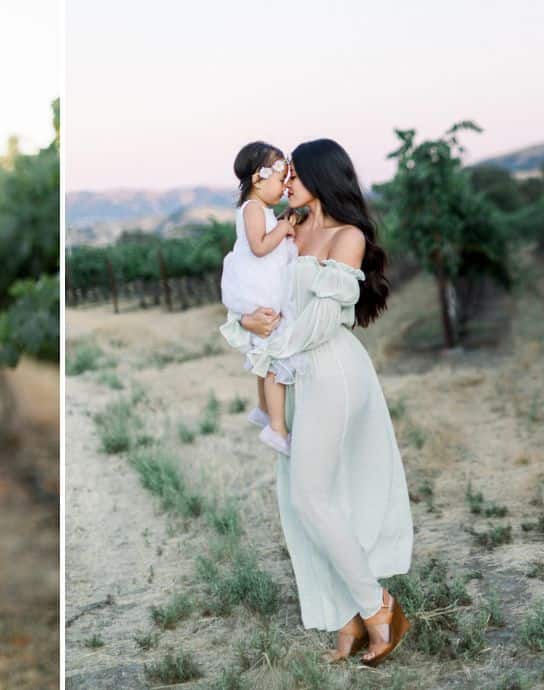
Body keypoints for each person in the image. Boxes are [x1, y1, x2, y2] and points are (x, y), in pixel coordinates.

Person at [223, 138, 415, 666]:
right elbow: (252, 288)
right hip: (297, 374)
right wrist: (246, 320)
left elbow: (325, 318)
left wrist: (276, 345)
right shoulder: (287, 227)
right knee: (302, 499)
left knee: (312, 494)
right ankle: (345, 616)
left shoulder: (346, 236)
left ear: (320, 177)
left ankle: (380, 607)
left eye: (295, 173)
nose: (287, 181)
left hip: (331, 369)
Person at [218, 141, 299, 454]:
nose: (283, 187)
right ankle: (276, 427)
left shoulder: (261, 209)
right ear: (257, 179)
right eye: (281, 179)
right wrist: (283, 228)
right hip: (259, 294)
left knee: (264, 359)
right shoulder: (253, 209)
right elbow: (260, 246)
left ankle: (264, 409)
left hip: (260, 291)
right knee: (273, 362)